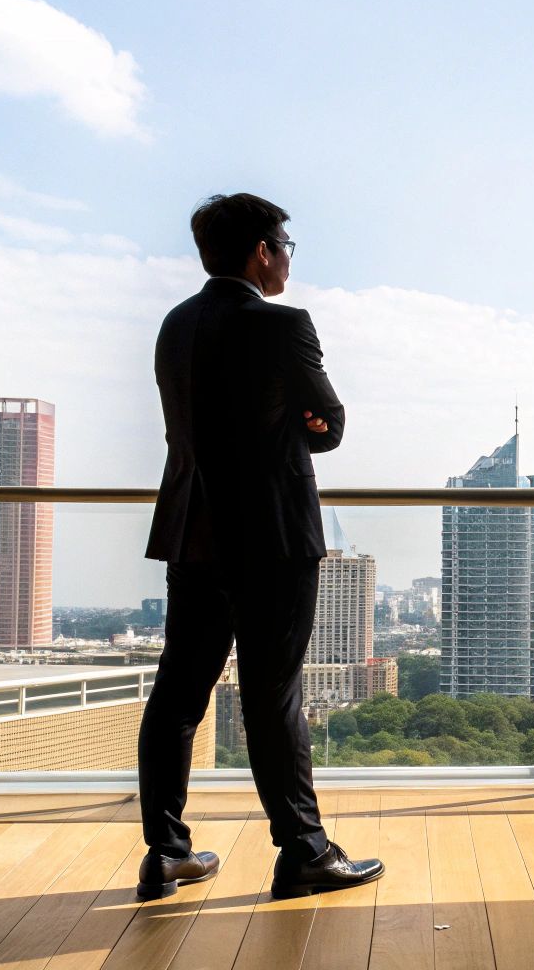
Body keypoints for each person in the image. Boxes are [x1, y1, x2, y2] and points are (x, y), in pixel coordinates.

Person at [136, 192, 383, 901]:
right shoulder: (283, 324)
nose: (287, 262)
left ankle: (166, 854)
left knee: (179, 692)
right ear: (261, 252)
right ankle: (303, 852)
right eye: (285, 248)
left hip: (193, 528)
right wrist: (300, 424)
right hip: (271, 535)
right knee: (273, 695)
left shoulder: (176, 324)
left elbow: (190, 426)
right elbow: (330, 424)